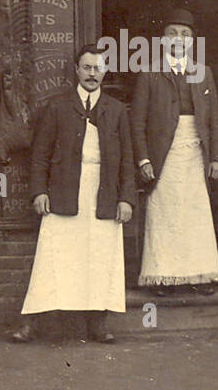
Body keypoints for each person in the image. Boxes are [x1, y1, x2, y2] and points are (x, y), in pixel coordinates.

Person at [12, 44, 137, 344]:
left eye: (98, 68)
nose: (93, 74)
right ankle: (33, 323)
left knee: (100, 256)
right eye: (87, 68)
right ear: (76, 71)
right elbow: (40, 155)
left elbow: (127, 159)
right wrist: (39, 191)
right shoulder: (57, 107)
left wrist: (126, 198)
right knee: (53, 258)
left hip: (103, 191)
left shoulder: (117, 110)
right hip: (65, 192)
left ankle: (98, 324)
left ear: (105, 71)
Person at [131, 9, 218, 297]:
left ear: (193, 41)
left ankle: (198, 274)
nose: (179, 39)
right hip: (163, 154)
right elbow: (137, 121)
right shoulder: (149, 72)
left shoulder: (203, 72)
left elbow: (214, 119)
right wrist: (144, 158)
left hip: (195, 150)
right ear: (163, 40)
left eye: (185, 34)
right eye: (173, 33)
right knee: (165, 212)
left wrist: (216, 158)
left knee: (195, 213)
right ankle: (162, 276)